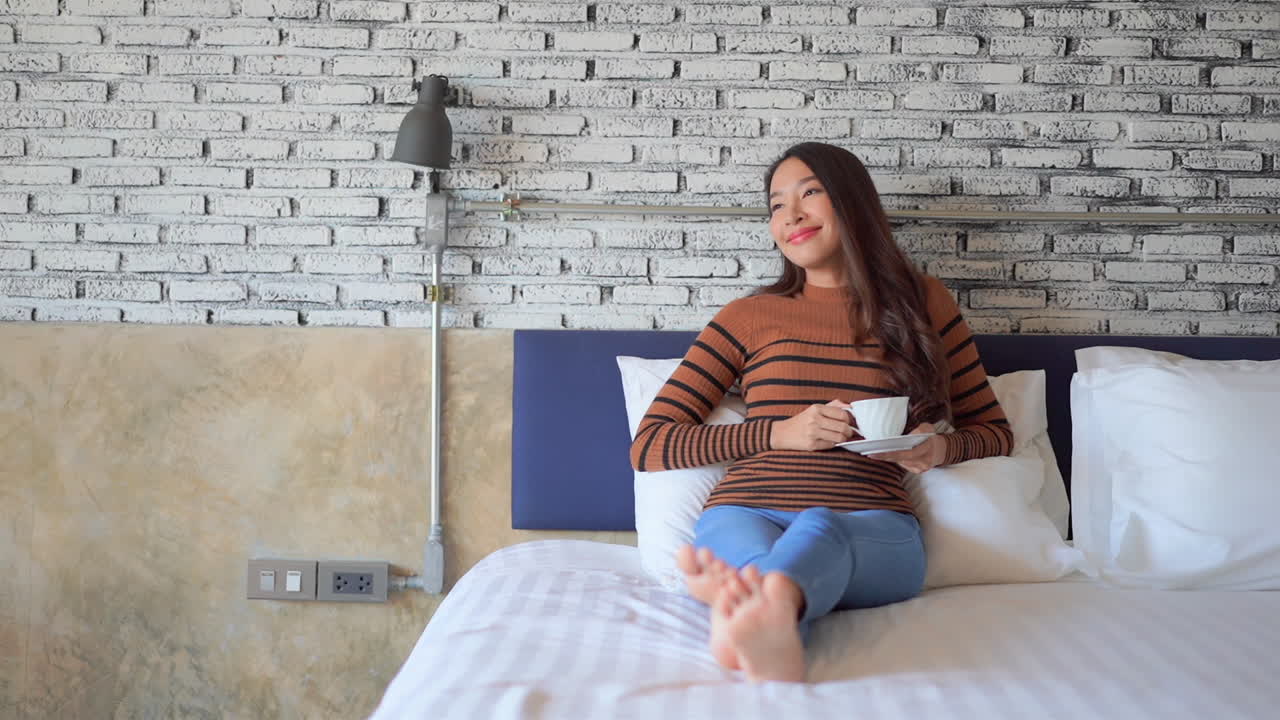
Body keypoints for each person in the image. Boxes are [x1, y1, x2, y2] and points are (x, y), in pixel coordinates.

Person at [628, 142, 1013, 683]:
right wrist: (778, 434)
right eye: (776, 205)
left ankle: (751, 608)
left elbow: (994, 431)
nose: (792, 216)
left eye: (810, 193)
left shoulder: (924, 303)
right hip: (745, 512)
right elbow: (650, 444)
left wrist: (941, 446)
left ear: (852, 202)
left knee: (817, 529)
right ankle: (775, 629)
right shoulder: (749, 315)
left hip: (873, 526)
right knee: (772, 563)